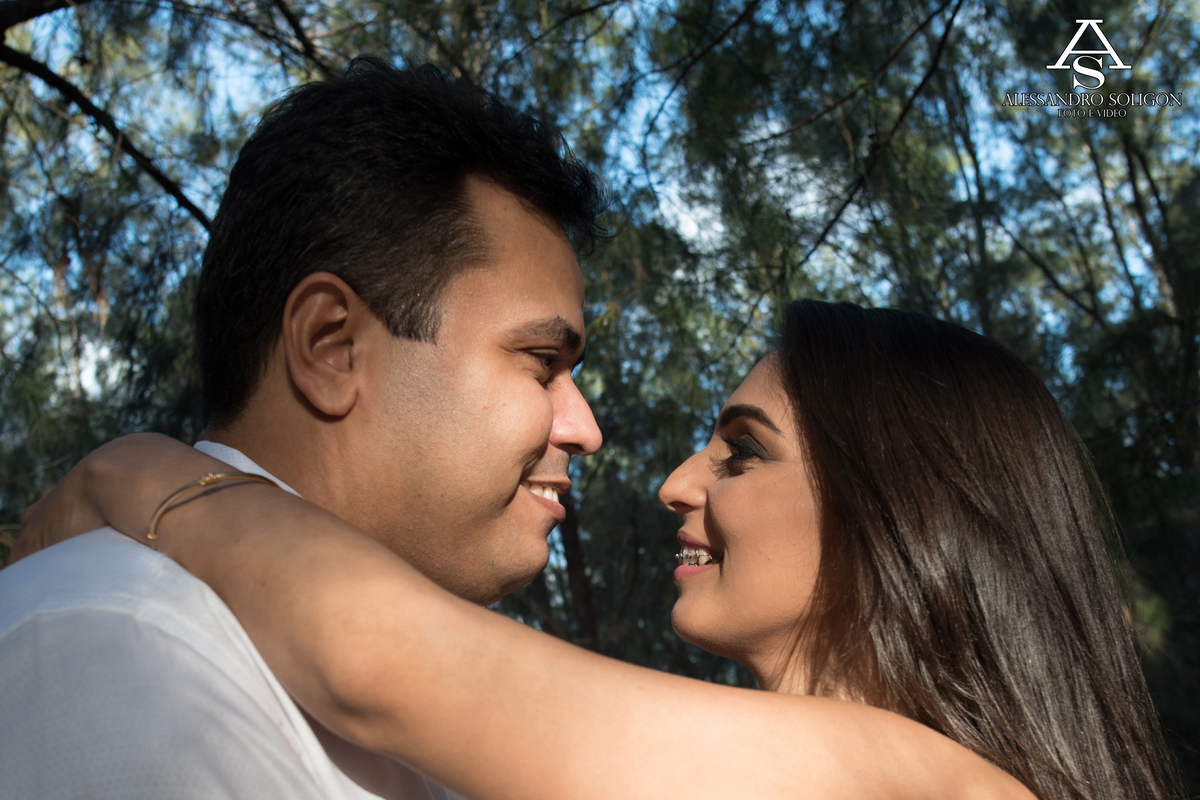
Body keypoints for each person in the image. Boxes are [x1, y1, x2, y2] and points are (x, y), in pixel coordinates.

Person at [16, 302, 1183, 800]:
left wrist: (143, 472)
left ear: (904, 510)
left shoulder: (916, 779)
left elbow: (373, 656)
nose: (677, 480)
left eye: (742, 450)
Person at [0, 56, 609, 800]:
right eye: (542, 362)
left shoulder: (458, 739)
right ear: (331, 348)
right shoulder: (125, 645)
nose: (585, 428)